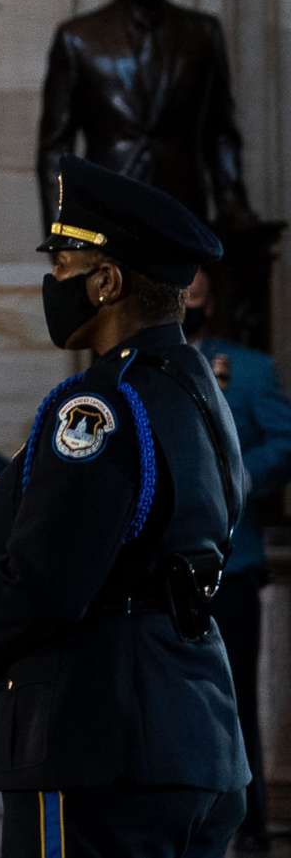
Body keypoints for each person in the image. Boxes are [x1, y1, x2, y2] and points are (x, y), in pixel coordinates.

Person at [0, 154, 248, 858]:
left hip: (96, 738)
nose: (53, 283)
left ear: (108, 280)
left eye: (65, 265)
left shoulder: (97, 404)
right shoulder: (196, 387)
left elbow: (46, 578)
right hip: (196, 737)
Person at [39, 0, 254, 229]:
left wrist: (231, 199)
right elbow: (55, 147)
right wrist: (60, 228)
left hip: (182, 209)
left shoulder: (203, 34)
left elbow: (219, 129)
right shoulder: (78, 39)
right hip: (107, 208)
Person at [185, 268, 291, 854]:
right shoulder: (138, 368)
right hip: (155, 569)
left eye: (195, 294)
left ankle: (246, 821)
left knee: (232, 695)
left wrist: (241, 471)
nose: (187, 304)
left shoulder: (247, 370)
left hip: (232, 558)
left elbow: (287, 436)